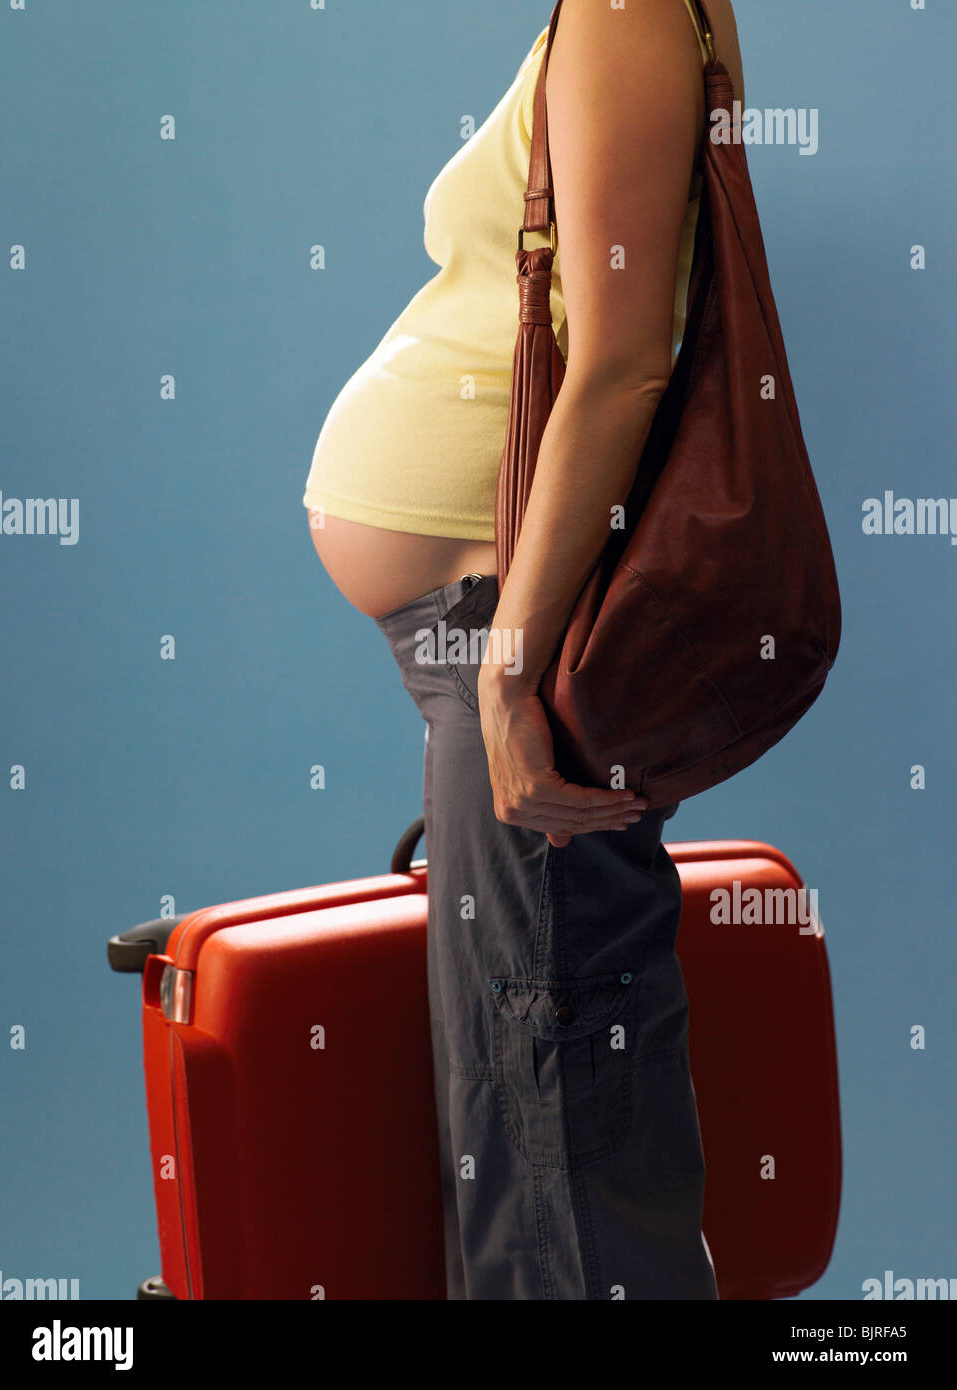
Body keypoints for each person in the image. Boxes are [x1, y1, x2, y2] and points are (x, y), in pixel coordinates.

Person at [303, 0, 745, 1300]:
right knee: (538, 1110)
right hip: (500, 637)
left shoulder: (634, 11)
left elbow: (621, 360)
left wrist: (508, 671)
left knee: (556, 1118)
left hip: (518, 642)